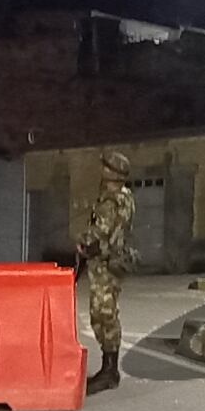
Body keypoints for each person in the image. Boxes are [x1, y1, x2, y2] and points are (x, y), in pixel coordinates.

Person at [78, 151, 136, 393]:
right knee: (102, 313)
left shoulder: (113, 200)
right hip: (108, 261)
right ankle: (108, 368)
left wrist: (84, 244)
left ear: (112, 172)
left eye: (105, 167)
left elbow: (101, 234)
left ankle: (109, 371)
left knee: (104, 314)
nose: (101, 169)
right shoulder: (123, 196)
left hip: (106, 263)